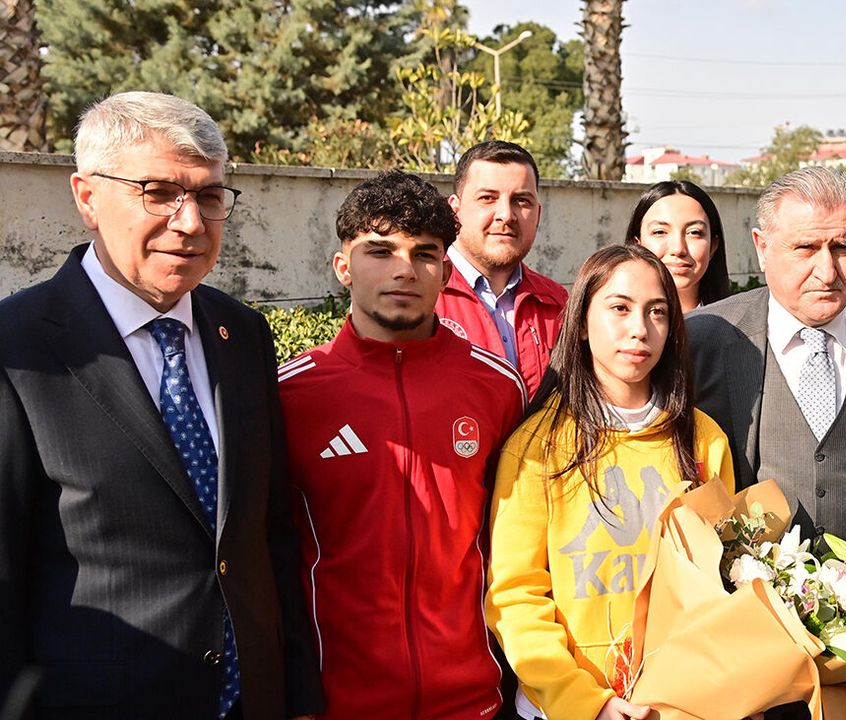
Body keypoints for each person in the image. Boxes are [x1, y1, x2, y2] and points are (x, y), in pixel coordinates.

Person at [0, 91, 323, 719]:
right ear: (87, 198)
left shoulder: (242, 335)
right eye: (159, 192)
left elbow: (268, 534)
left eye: (209, 195)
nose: (191, 222)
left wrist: (297, 693)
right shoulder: (18, 349)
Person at [277, 170, 526, 719]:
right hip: (338, 704)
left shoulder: (498, 387)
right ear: (342, 266)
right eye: (380, 250)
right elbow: (269, 557)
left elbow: (518, 547)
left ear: (446, 272)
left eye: (425, 254)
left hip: (473, 702)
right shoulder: (289, 395)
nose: (404, 270)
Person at [686, 166, 846, 664]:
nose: (827, 270)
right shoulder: (704, 338)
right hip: (742, 632)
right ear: (762, 247)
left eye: (843, 248)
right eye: (805, 248)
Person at [485, 244, 735, 720]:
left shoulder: (704, 440)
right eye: (619, 308)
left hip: (682, 703)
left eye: (657, 312)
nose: (639, 329)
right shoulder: (537, 446)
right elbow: (515, 595)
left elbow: (725, 582)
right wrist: (585, 702)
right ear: (581, 322)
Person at [438, 140, 568, 395]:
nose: (506, 215)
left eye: (521, 201)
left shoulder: (557, 304)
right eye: (488, 198)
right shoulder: (422, 295)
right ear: (455, 210)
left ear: (538, 215)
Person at [625, 180, 731, 312]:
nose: (678, 249)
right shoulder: (614, 323)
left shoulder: (739, 322)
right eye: (660, 232)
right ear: (637, 245)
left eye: (694, 232)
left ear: (713, 246)